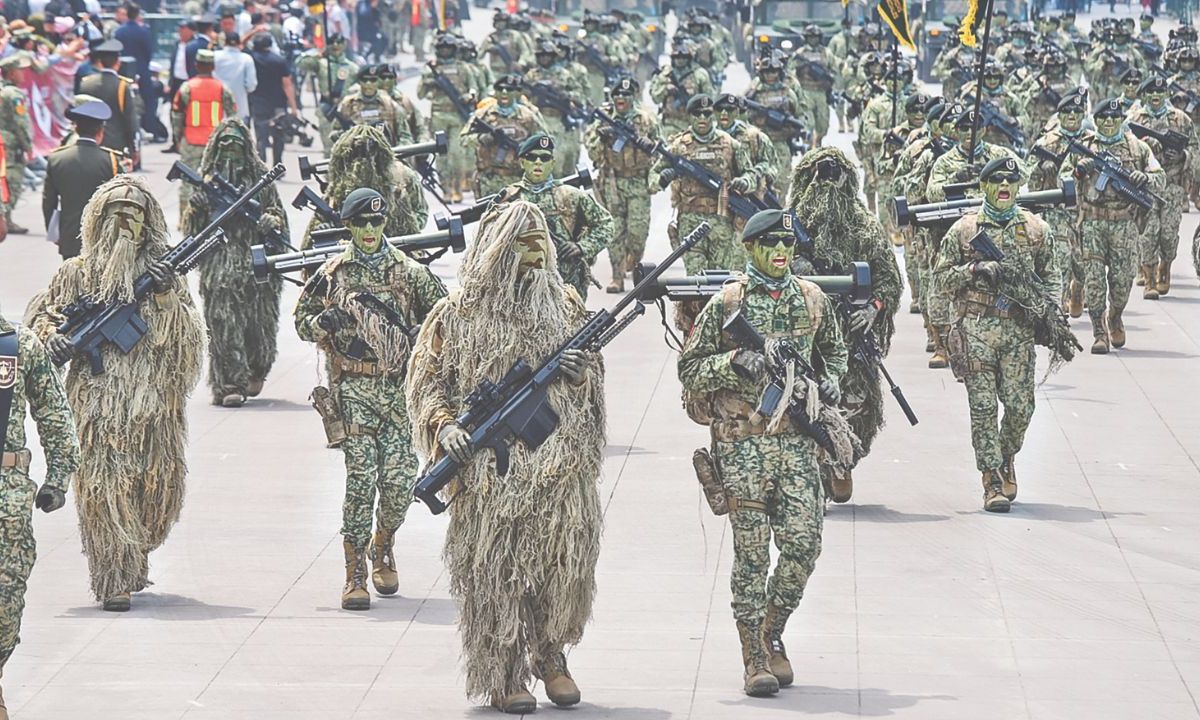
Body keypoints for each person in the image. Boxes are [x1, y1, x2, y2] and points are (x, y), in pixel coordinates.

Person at [407, 200, 605, 714]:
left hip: (559, 468)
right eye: (522, 242)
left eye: (540, 241)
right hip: (493, 473)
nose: (535, 251)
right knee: (496, 575)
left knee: (558, 569)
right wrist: (444, 425)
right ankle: (503, 673)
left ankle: (551, 655)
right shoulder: (459, 314)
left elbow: (593, 386)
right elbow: (430, 379)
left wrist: (581, 374)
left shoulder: (565, 305)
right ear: (498, 250)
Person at [678, 208, 852, 697]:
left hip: (797, 444)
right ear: (751, 248)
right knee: (752, 556)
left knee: (804, 544)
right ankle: (754, 652)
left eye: (788, 245)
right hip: (743, 445)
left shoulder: (812, 299)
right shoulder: (727, 303)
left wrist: (830, 385)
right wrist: (735, 360)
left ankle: (773, 625)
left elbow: (836, 352)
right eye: (771, 244)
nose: (781, 252)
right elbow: (690, 369)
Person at [30, 176, 206, 611]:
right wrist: (50, 335)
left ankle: (134, 552)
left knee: (154, 497)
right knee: (104, 493)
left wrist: (165, 297)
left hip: (155, 408)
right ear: (96, 222)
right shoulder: (76, 273)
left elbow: (188, 342)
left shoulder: (163, 275)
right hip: (97, 406)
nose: (125, 227)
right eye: (114, 217)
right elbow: (41, 317)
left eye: (135, 217)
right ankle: (113, 577)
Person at [295, 187, 446, 609]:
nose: (368, 230)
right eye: (360, 222)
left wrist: (422, 337)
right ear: (349, 225)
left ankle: (384, 544)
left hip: (398, 392)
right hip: (355, 390)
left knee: (399, 484)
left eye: (375, 222)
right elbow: (301, 321)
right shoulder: (334, 273)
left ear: (385, 224)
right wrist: (323, 323)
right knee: (361, 481)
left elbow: (444, 317)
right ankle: (355, 573)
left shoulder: (408, 271)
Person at [933, 157, 1064, 512]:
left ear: (1019, 186)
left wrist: (1052, 313)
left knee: (1021, 407)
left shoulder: (1037, 230)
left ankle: (1006, 456)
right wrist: (973, 268)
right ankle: (991, 478)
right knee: (984, 407)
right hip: (975, 328)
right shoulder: (964, 230)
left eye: (1010, 180)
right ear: (985, 186)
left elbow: (1052, 275)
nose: (1004, 186)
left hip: (1018, 331)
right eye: (996, 180)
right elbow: (941, 279)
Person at [786, 148, 902, 504]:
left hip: (851, 336)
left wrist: (873, 309)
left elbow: (889, 279)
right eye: (817, 176)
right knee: (801, 403)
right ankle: (812, 470)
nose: (825, 184)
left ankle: (841, 462)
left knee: (856, 405)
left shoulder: (863, 226)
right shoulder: (786, 228)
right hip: (803, 336)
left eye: (832, 176)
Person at [0, 300, 80, 720]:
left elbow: (53, 413)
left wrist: (58, 477)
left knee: (6, 602)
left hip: (7, 498)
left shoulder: (16, 345)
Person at [182, 118, 286, 407]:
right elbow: (191, 232)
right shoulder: (206, 183)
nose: (230, 149)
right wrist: (197, 207)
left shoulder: (261, 180)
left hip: (257, 268)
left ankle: (255, 369)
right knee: (223, 325)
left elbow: (279, 219)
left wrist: (271, 221)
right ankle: (229, 384)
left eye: (236, 144)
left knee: (259, 328)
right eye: (224, 143)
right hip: (220, 266)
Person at [1058, 97, 1163, 354]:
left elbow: (1160, 178)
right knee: (1094, 280)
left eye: (1114, 118)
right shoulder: (1083, 147)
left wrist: (1145, 178)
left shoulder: (1138, 148)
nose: (1108, 122)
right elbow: (1062, 179)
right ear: (1095, 121)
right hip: (1092, 222)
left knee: (1122, 281)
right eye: (1103, 118)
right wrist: (1078, 171)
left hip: (1124, 224)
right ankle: (1099, 331)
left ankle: (1115, 316)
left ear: (1121, 120)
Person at [490, 134, 612, 300]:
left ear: (552, 163)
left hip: (566, 285)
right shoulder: (509, 198)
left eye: (545, 158)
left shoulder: (570, 195)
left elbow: (606, 224)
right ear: (522, 162)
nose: (538, 162)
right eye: (532, 157)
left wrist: (582, 247)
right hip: (521, 288)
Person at [650, 95, 756, 274]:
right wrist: (662, 179)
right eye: (697, 114)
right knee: (695, 280)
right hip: (690, 221)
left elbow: (750, 173)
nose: (702, 118)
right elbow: (653, 178)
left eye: (706, 114)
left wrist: (744, 182)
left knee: (720, 280)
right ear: (690, 116)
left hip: (721, 220)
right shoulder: (679, 146)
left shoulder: (729, 143)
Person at [583, 76, 663, 293]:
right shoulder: (603, 120)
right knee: (615, 232)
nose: (621, 98)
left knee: (637, 233)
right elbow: (591, 152)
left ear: (633, 97)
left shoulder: (646, 120)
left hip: (638, 182)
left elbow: (663, 152)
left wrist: (650, 146)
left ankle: (633, 259)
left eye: (626, 94)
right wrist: (601, 138)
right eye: (617, 94)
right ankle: (617, 276)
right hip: (612, 182)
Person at [301, 125, 429, 249]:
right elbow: (307, 246)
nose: (362, 163)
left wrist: (397, 228)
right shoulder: (339, 186)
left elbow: (419, 216)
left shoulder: (401, 180)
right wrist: (324, 232)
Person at [1128, 76, 1198, 299]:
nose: (1155, 97)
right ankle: (1149, 279)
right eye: (1151, 93)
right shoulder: (1134, 119)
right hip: (1146, 186)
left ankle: (1165, 266)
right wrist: (1145, 145)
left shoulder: (1181, 119)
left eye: (1160, 93)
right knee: (1147, 234)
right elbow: (1123, 151)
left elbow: (1195, 150)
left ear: (1166, 95)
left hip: (1172, 186)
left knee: (1168, 235)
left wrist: (1183, 155)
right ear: (1145, 95)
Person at [42, 101, 123, 260]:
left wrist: (54, 232)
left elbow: (48, 202)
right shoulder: (110, 160)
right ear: (100, 131)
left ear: (76, 129)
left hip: (70, 236)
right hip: (102, 237)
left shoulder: (57, 158)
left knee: (72, 281)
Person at [460, 74, 548, 197]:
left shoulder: (527, 115)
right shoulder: (482, 115)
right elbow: (463, 139)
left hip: (519, 180)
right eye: (500, 89)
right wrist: (481, 138)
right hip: (489, 180)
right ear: (495, 92)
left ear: (515, 93)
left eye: (509, 89)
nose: (504, 92)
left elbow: (545, 140)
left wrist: (528, 146)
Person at [171, 48, 237, 207]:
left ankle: (185, 218)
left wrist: (177, 138)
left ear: (196, 65)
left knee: (188, 179)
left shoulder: (187, 87)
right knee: (215, 181)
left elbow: (177, 115)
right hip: (214, 143)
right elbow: (233, 115)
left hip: (191, 141)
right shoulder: (222, 88)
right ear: (213, 67)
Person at [417, 33, 477, 201]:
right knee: (442, 156)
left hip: (458, 116)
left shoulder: (463, 68)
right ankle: (446, 188)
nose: (444, 51)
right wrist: (428, 81)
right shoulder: (431, 70)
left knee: (457, 153)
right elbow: (420, 94)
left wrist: (468, 96)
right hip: (438, 116)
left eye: (448, 48)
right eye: (442, 48)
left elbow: (473, 88)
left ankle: (457, 187)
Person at [78, 39, 139, 166]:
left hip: (89, 141)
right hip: (115, 145)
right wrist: (134, 148)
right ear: (118, 62)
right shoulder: (122, 86)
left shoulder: (86, 83)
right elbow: (130, 120)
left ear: (100, 62)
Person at [247, 32, 298, 166]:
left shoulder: (250, 59)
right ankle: (278, 165)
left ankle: (261, 165)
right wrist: (293, 106)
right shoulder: (279, 60)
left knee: (261, 136)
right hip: (278, 103)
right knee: (278, 135)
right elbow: (287, 84)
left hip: (258, 103)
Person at [0, 55, 34, 236]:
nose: (23, 74)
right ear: (12, 73)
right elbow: (20, 122)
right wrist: (28, 145)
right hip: (10, 144)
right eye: (20, 70)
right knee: (11, 180)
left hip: (2, 142)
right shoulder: (14, 94)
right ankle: (5, 219)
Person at [113, 3, 156, 138]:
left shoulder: (119, 31)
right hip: (142, 69)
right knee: (148, 101)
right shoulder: (143, 31)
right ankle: (149, 127)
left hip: (123, 71)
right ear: (137, 15)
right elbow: (149, 51)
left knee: (123, 100)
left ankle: (124, 128)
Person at [213, 32, 256, 122]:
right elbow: (251, 84)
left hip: (217, 105)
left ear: (224, 43)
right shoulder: (246, 59)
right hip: (239, 106)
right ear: (239, 43)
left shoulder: (215, 56)